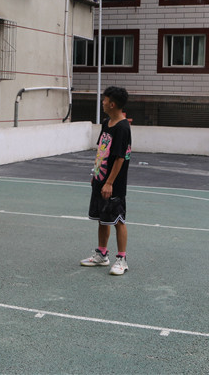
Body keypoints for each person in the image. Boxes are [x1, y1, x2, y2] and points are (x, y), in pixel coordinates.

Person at [81, 86, 132, 276]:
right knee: (103, 219)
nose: (102, 102)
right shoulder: (106, 123)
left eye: (104, 100)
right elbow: (102, 151)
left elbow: (119, 158)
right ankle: (102, 254)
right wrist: (96, 175)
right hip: (100, 180)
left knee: (118, 220)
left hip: (113, 184)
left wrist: (109, 182)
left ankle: (122, 259)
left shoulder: (122, 128)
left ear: (112, 104)